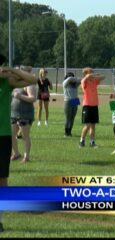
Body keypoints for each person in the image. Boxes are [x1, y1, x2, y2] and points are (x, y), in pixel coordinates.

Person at [0, 54, 37, 233]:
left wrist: (11, 70)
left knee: (2, 179)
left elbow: (33, 79)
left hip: (3, 135)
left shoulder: (7, 82)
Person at [10, 65, 36, 163]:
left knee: (25, 136)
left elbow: (33, 98)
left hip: (25, 114)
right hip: (13, 113)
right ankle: (16, 153)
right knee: (12, 135)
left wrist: (20, 96)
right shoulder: (14, 84)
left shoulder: (28, 84)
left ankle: (26, 156)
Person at [79, 67, 105, 148]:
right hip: (87, 105)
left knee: (93, 125)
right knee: (87, 125)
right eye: (90, 72)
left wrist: (94, 75)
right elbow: (87, 77)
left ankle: (92, 142)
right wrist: (91, 75)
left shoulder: (94, 81)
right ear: (86, 73)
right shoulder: (84, 81)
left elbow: (103, 77)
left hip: (94, 105)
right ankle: (81, 141)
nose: (92, 73)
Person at [63, 72, 81, 137]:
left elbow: (81, 80)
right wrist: (72, 78)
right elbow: (69, 79)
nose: (72, 79)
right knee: (68, 118)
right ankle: (66, 132)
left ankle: (70, 132)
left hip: (75, 100)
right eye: (71, 77)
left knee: (72, 118)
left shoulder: (75, 85)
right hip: (68, 100)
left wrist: (75, 79)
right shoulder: (65, 83)